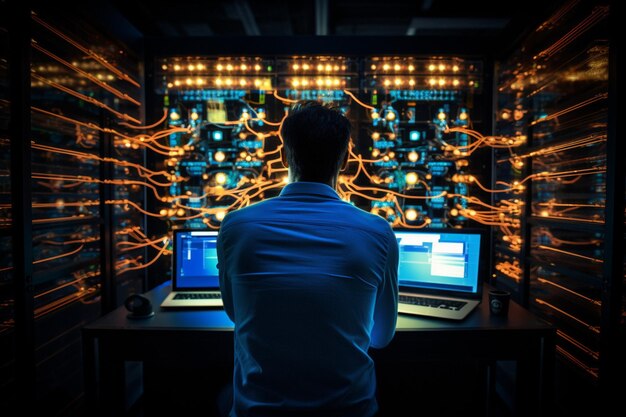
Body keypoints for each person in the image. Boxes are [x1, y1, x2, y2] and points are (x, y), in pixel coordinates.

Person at [217, 100, 399, 417]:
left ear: (284, 155)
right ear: (344, 161)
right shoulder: (378, 232)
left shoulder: (236, 226)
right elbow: (381, 337)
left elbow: (237, 314)